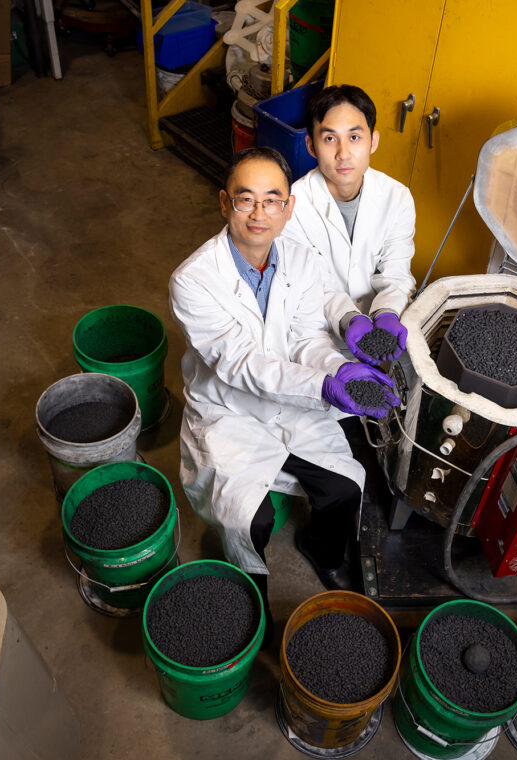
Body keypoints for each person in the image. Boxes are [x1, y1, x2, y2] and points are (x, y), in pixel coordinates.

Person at [169, 147, 399, 622]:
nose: (259, 213)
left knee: (344, 488)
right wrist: (323, 386)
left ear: (288, 207)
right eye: (245, 199)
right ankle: (250, 592)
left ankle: (322, 548)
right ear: (223, 203)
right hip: (228, 412)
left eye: (272, 200)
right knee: (250, 517)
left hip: (294, 396)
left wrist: (338, 369)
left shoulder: (298, 257)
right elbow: (241, 364)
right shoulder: (192, 281)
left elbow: (303, 337)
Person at [281, 84, 417, 366]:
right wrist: (347, 318)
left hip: (380, 328)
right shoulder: (293, 206)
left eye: (354, 137)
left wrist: (388, 313)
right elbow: (308, 286)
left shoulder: (397, 197)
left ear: (373, 141)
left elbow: (396, 271)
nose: (343, 153)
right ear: (311, 146)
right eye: (330, 138)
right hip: (316, 336)